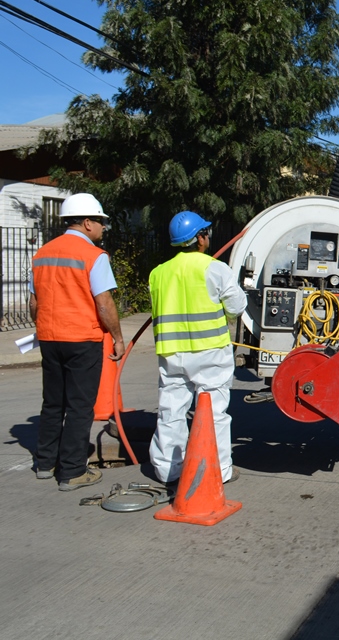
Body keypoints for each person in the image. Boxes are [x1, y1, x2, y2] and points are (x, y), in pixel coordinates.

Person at [30, 193, 125, 491]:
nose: (103, 228)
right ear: (87, 223)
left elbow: (34, 303)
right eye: (100, 222)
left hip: (49, 337)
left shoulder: (42, 253)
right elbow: (104, 302)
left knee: (53, 402)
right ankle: (71, 471)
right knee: (80, 405)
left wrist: (44, 326)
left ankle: (45, 463)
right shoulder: (94, 256)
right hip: (82, 338)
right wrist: (117, 337)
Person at [148, 211, 246, 488]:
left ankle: (169, 471)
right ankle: (219, 470)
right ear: (200, 239)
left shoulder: (158, 274)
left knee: (171, 412)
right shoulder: (214, 268)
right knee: (214, 414)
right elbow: (236, 308)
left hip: (172, 353)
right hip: (209, 352)